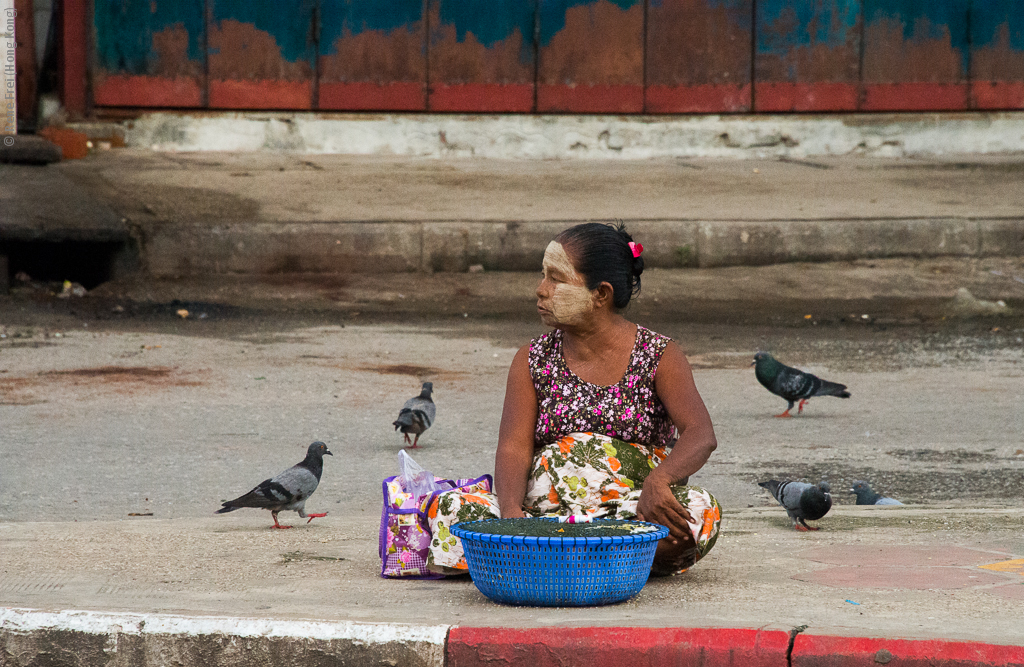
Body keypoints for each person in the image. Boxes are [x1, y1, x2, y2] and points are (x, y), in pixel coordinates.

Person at [426, 222, 721, 576]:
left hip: (625, 510)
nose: (541, 290)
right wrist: (512, 517)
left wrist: (659, 482)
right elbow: (513, 448)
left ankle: (543, 561)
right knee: (454, 508)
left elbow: (700, 435)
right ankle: (600, 560)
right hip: (542, 519)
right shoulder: (531, 359)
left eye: (556, 279)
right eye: (543, 276)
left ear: (601, 294)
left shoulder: (659, 355)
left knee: (700, 510)